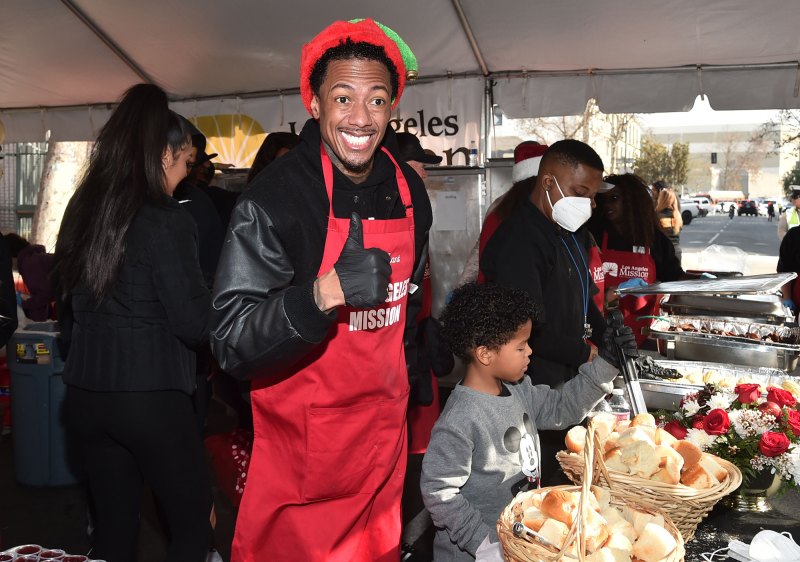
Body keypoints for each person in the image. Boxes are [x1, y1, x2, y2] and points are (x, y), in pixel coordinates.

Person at [209, 19, 432, 561]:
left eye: (377, 99)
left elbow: (411, 299)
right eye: (343, 97)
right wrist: (321, 296)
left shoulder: (409, 194)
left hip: (382, 442)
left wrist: (419, 357)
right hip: (306, 453)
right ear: (314, 103)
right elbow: (230, 340)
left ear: (392, 107)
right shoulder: (276, 200)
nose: (361, 117)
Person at [52, 84, 212, 562]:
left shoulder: (83, 210)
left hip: (84, 396)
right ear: (164, 155)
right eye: (185, 164)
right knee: (192, 527)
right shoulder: (167, 221)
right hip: (151, 398)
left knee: (114, 529)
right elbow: (193, 322)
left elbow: (69, 308)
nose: (186, 177)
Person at [420, 283, 635, 561]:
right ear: (485, 354)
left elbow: (563, 407)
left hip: (517, 543)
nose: (530, 352)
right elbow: (439, 491)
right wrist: (484, 545)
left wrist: (606, 363)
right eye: (521, 346)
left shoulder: (519, 388)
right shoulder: (461, 419)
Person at [479, 139, 613, 485]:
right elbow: (528, 328)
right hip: (534, 387)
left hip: (568, 383)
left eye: (593, 196)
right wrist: (587, 352)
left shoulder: (569, 234)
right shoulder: (519, 241)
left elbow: (585, 299)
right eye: (581, 192)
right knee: (541, 484)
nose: (590, 204)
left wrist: (608, 336)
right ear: (549, 182)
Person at [588, 174, 685, 346]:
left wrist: (704, 283)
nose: (608, 205)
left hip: (641, 336)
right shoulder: (593, 235)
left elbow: (674, 277)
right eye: (604, 200)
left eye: (615, 198)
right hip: (598, 335)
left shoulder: (654, 240)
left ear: (633, 202)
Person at [652, 180, 683, 260]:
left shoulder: (656, 216)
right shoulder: (678, 216)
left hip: (662, 252)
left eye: (653, 190)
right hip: (676, 251)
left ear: (662, 199)